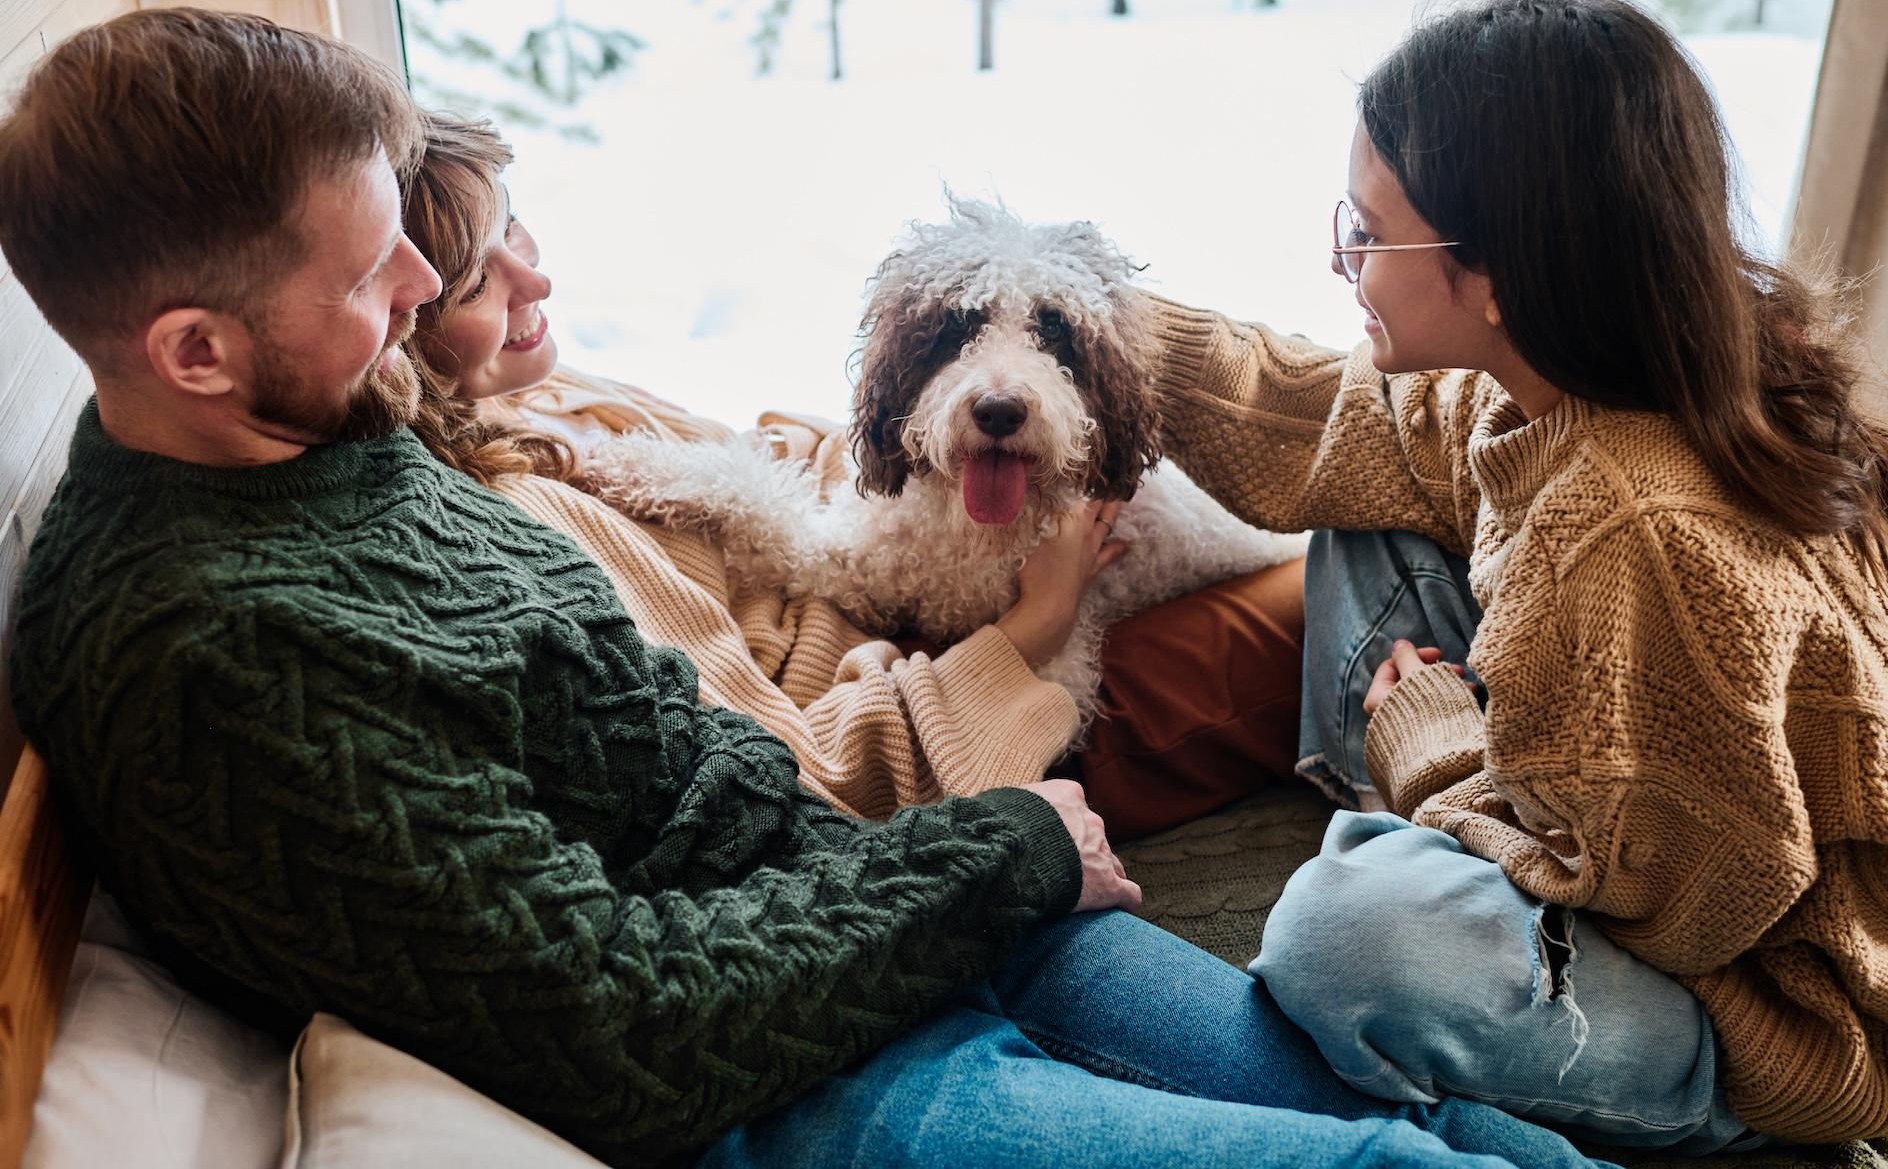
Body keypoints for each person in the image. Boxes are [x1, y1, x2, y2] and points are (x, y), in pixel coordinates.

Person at [0, 9, 1606, 1169]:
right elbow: (623, 1024)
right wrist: (993, 846)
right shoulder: (222, 662)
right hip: (786, 1076)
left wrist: (960, 866)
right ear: (194, 351)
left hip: (868, 899)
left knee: (1434, 1115)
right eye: (370, 275)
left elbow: (697, 757)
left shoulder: (312, 436)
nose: (426, 293)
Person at [1137, 0, 1888, 1151]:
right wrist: (1097, 324)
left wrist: (1435, 751)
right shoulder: (1619, 352)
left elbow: (1673, 905)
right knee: (1359, 505)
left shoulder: (1631, 529)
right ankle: (1454, 812)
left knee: (1349, 938)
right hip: (1642, 789)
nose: (1344, 261)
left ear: (1495, 268)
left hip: (1772, 998)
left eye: (1369, 231)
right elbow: (1339, 418)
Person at [392, 109, 1306, 835]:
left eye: (517, 227)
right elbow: (795, 761)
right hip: (977, 708)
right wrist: (1043, 614)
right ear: (398, 312)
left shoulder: (549, 389)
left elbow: (770, 464)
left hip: (929, 604)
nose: (537, 284)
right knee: (1341, 590)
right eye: (479, 279)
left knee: (1336, 556)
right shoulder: (516, 506)